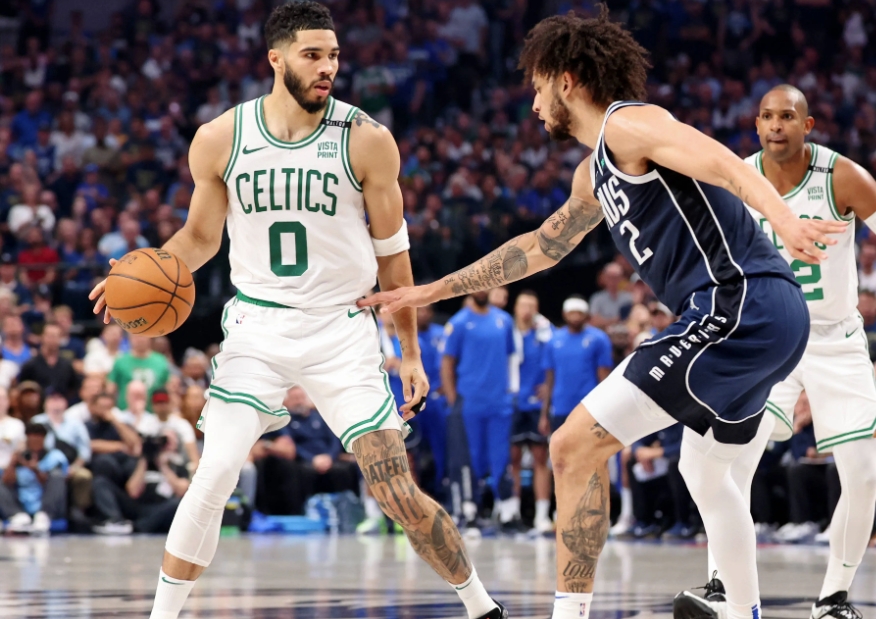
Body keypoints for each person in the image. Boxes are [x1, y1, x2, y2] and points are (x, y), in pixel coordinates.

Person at [358, 9, 843, 619]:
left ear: (566, 81)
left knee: (571, 446)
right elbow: (540, 247)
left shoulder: (629, 124)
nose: (534, 104)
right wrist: (432, 290)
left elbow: (720, 160)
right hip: (770, 317)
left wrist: (785, 220)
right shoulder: (594, 174)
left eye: (538, 87)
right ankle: (742, 610)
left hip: (736, 304)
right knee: (705, 471)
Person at [89, 4, 505, 619]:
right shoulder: (221, 137)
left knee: (394, 486)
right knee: (215, 472)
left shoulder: (366, 139)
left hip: (341, 327)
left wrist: (411, 352)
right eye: (313, 55)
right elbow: (199, 239)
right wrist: (138, 271)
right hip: (257, 325)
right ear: (276, 58)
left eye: (333, 55)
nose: (327, 67)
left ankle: (482, 607)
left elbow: (394, 261)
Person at [675, 85, 876, 619]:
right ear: (757, 124)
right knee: (734, 458)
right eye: (767, 116)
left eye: (787, 116)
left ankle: (833, 599)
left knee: (863, 472)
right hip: (769, 333)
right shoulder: (739, 178)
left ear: (807, 125)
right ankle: (722, 587)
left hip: (835, 338)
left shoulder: (843, 178)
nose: (776, 125)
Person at [442, 289, 516, 532]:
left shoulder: (504, 320)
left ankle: (507, 510)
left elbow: (511, 357)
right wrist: (454, 399)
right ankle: (469, 509)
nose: (482, 290)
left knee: (501, 456)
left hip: (499, 402)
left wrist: (511, 391)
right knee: (471, 457)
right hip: (470, 401)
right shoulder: (458, 323)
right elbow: (447, 363)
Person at [509, 289, 553, 533]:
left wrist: (549, 386)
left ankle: (542, 515)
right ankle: (512, 512)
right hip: (513, 403)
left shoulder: (545, 333)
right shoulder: (507, 331)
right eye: (522, 304)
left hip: (536, 404)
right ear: (515, 308)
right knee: (512, 459)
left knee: (540, 458)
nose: (526, 309)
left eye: (531, 305)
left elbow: (554, 362)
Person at [541, 297, 612, 434]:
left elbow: (604, 378)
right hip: (561, 406)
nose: (576, 317)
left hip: (589, 407)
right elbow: (549, 380)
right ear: (564, 314)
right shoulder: (553, 341)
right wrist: (544, 414)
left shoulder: (599, 339)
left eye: (579, 313)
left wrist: (606, 410)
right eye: (572, 313)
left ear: (586, 315)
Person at [0, 422, 68, 535]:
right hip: (22, 501)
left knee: (57, 475)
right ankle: (16, 515)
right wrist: (12, 463)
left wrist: (35, 469)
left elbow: (55, 485)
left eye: (38, 438)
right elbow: (7, 482)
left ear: (44, 439)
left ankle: (44, 516)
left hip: (46, 502)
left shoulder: (55, 456)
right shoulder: (20, 457)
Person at [108, 335, 170, 411]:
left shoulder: (160, 361)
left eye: (142, 336)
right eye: (136, 337)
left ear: (150, 338)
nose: (140, 340)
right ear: (130, 339)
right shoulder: (120, 361)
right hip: (125, 413)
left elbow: (168, 387)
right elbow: (111, 389)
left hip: (154, 413)